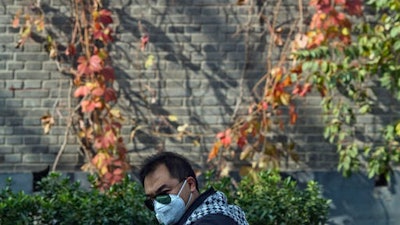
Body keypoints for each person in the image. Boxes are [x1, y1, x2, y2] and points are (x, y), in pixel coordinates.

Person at [139, 151, 249, 225]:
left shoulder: (212, 222)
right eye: (151, 201)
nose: (158, 205)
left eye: (163, 193)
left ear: (191, 184)